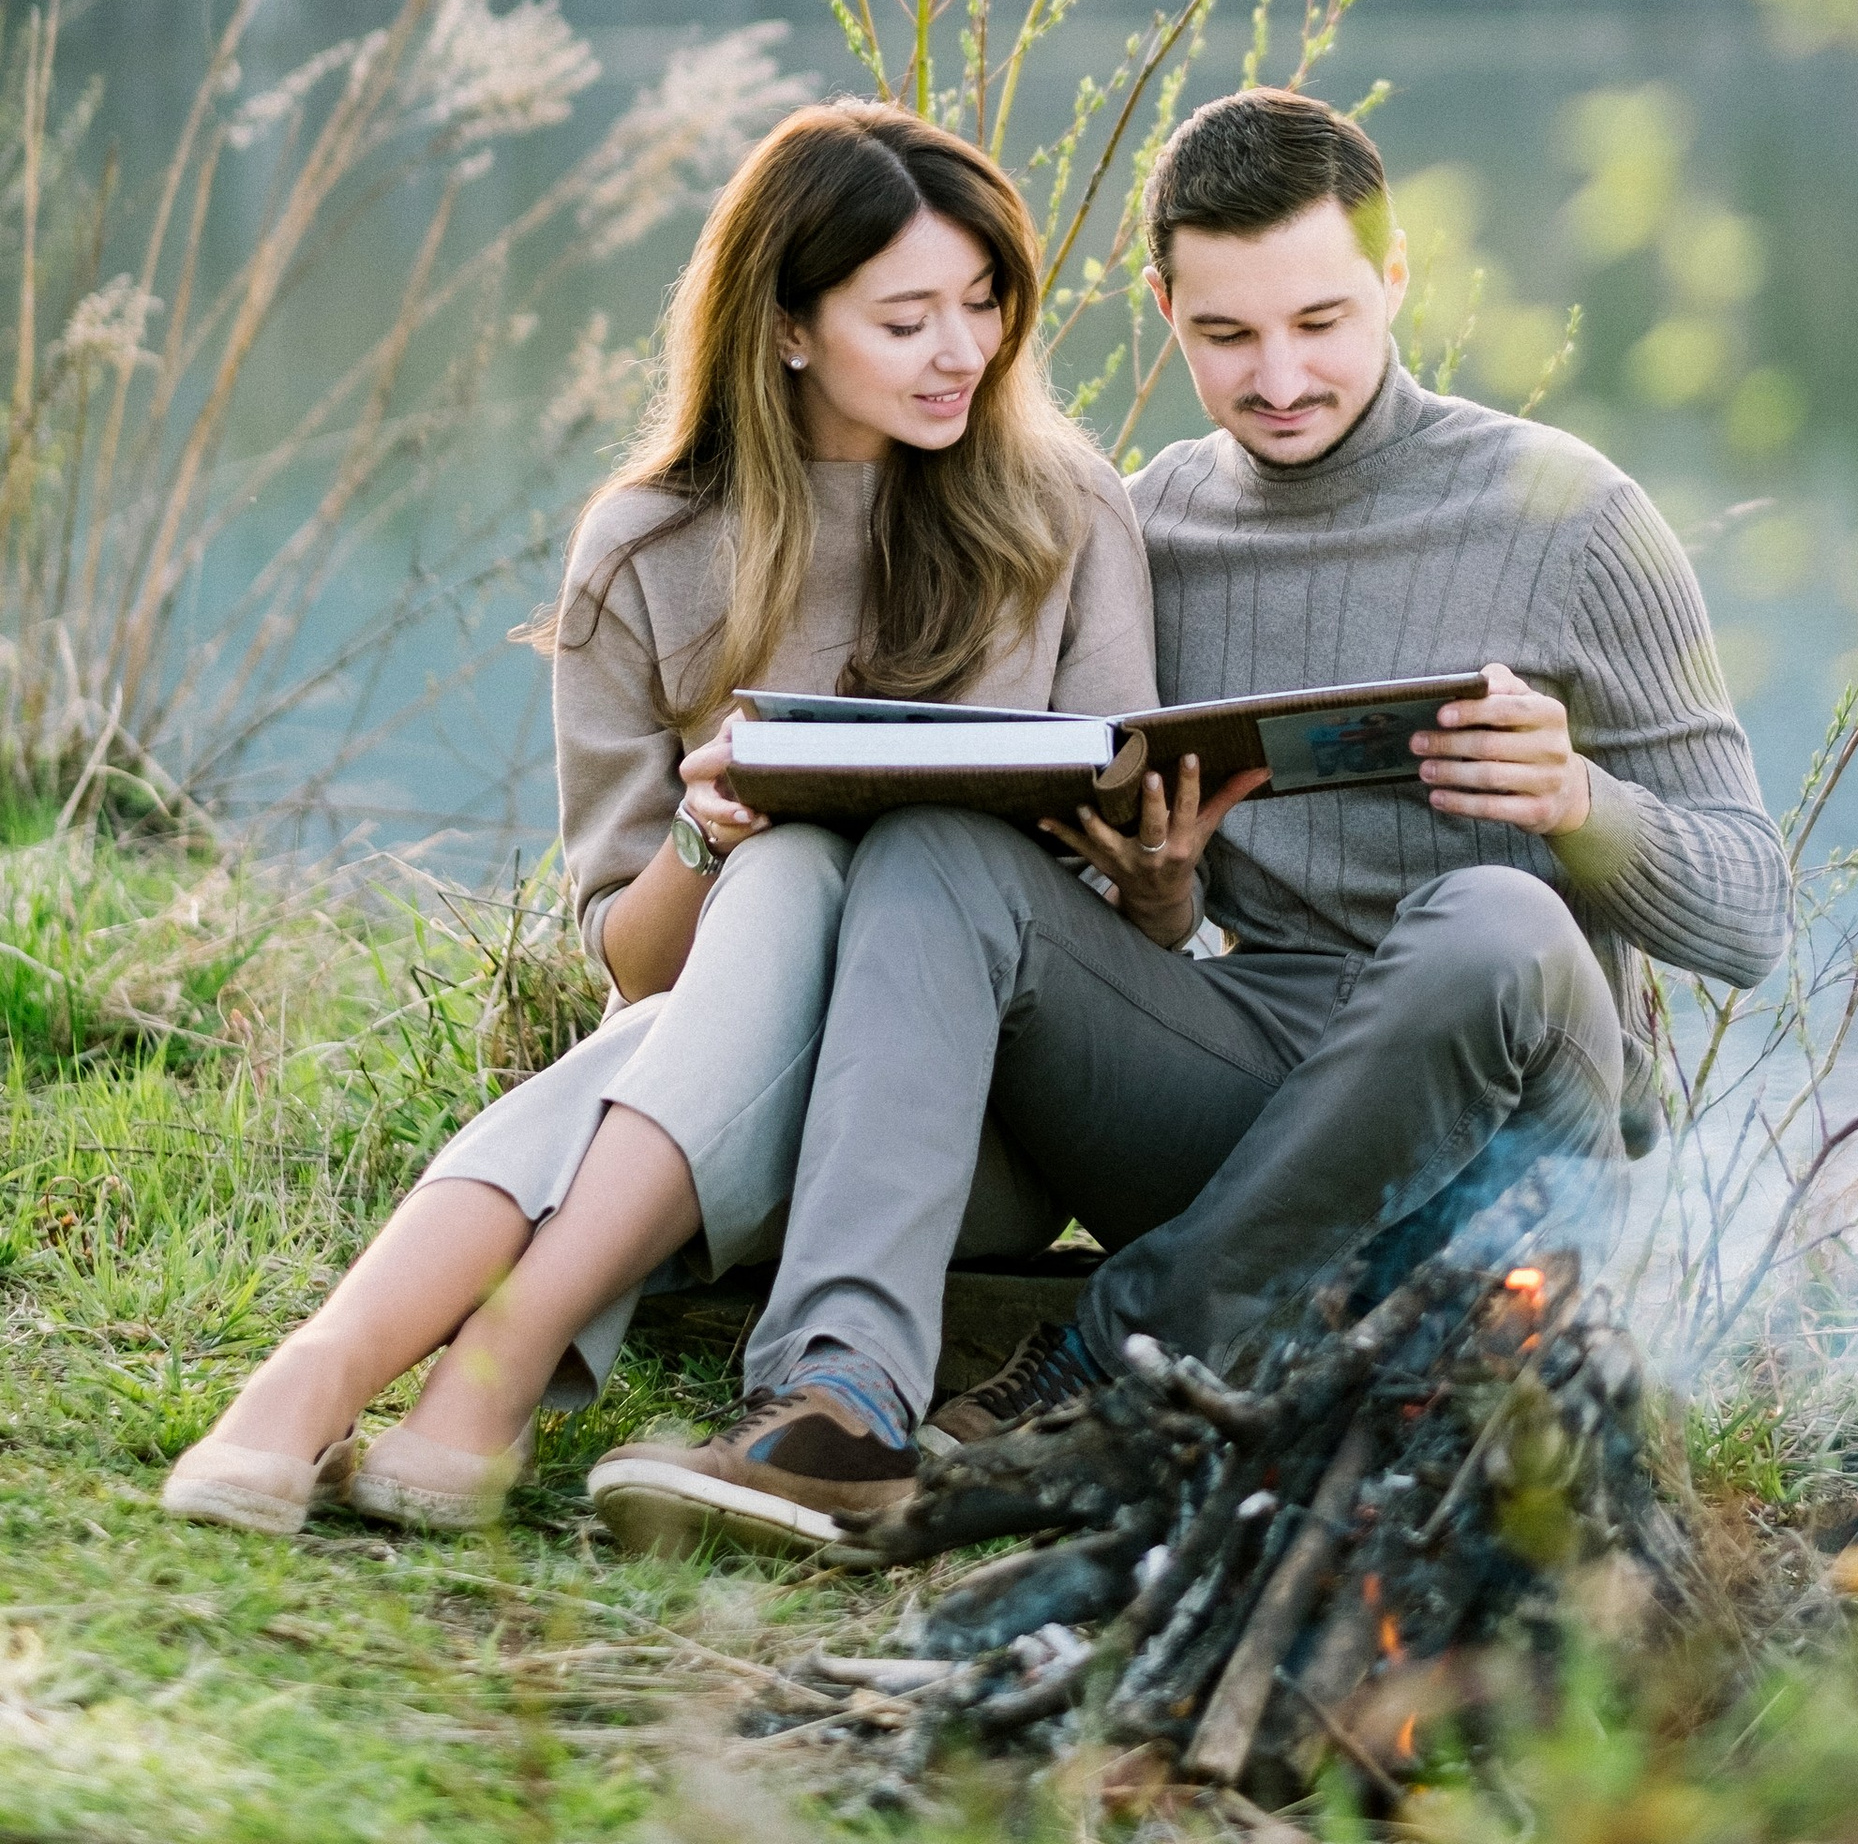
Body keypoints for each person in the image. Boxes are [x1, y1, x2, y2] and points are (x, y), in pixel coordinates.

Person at [586, 84, 1788, 1554]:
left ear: (1396, 275)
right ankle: (835, 1404)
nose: (1281, 376)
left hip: (1506, 1132)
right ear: (1162, 310)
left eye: (1324, 322)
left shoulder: (1571, 518)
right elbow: (1160, 902)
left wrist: (1586, 806)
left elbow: (1754, 915)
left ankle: (1108, 1364)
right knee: (936, 850)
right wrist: (1154, 890)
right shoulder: (1149, 523)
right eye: (1227, 336)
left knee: (1497, 916)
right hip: (1258, 1083)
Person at [161, 100, 1152, 1538]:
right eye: (909, 317)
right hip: (712, 1082)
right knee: (781, 864)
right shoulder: (649, 549)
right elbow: (637, 973)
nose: (963, 353)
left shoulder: (1063, 511)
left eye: (986, 306)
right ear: (792, 326)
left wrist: (1148, 864)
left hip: (965, 1129)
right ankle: (406, 1389)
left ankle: (353, 1375)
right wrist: (705, 836)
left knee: (818, 873)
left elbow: (1110, 911)